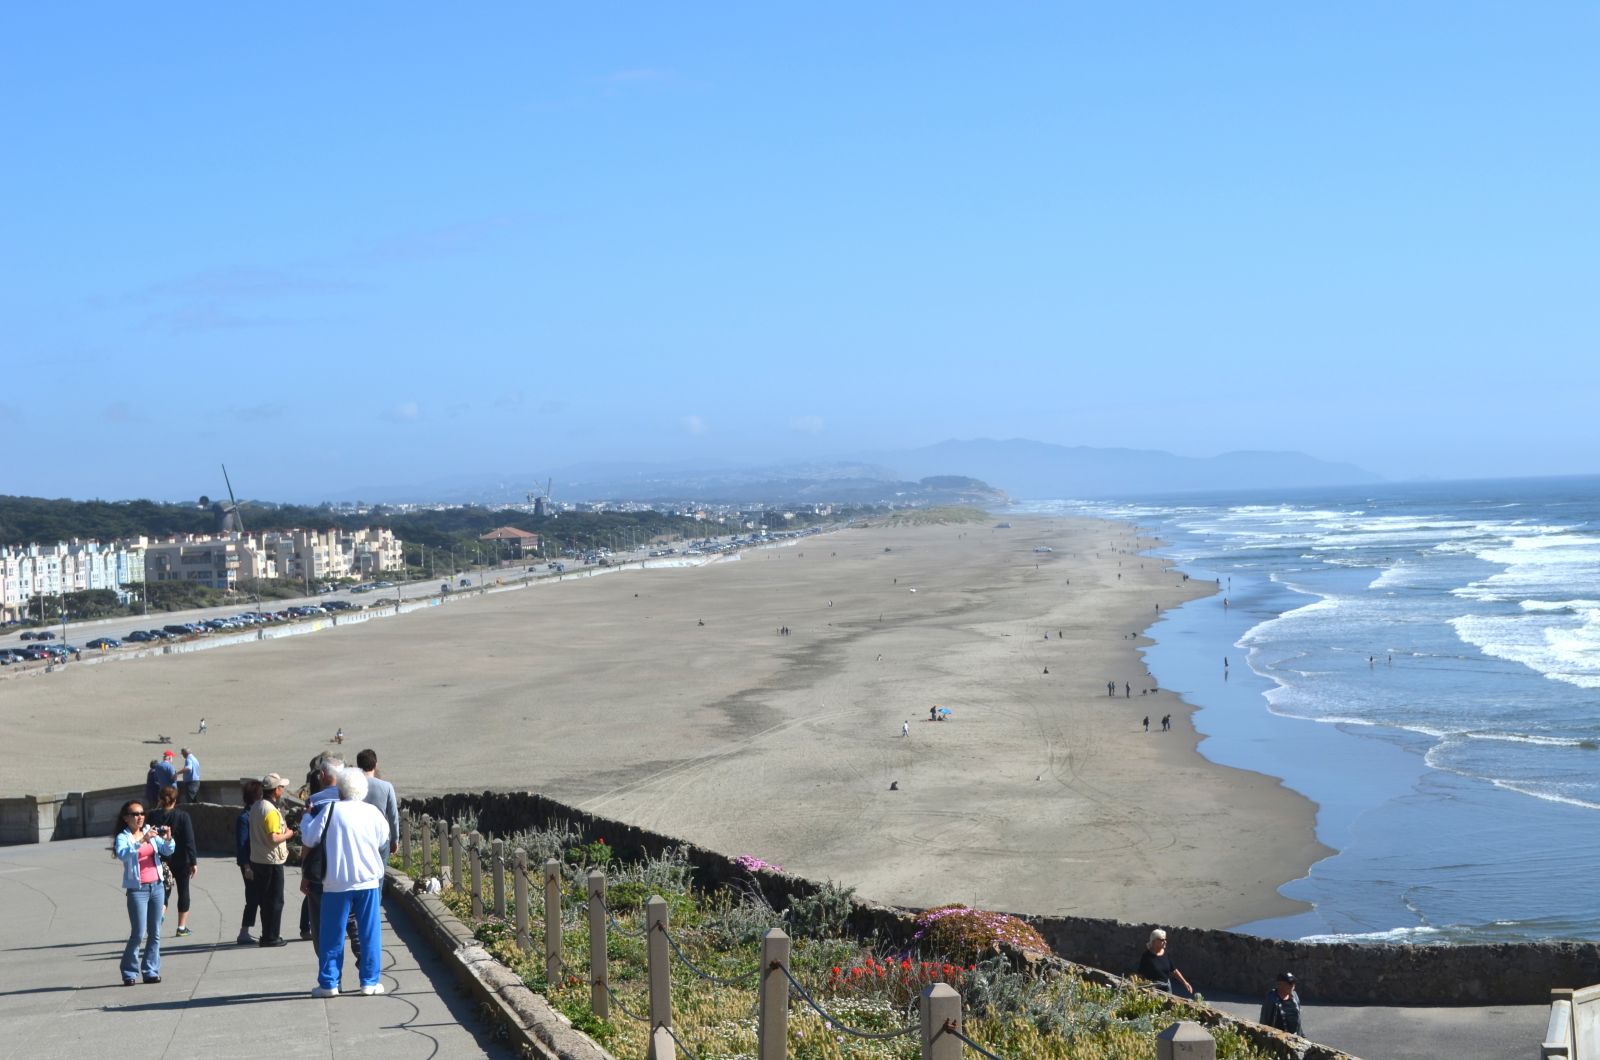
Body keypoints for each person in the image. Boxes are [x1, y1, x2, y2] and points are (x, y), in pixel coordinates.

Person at [302, 766, 391, 997]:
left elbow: (309, 838)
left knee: (332, 933)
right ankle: (369, 981)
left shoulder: (330, 810)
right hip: (368, 880)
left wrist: (306, 816)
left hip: (336, 881)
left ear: (340, 790)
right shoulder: (372, 812)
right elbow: (383, 839)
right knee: (369, 932)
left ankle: (330, 982)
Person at [113, 799, 174, 985]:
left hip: (156, 886)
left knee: (155, 932)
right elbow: (123, 854)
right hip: (137, 889)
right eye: (135, 814)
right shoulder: (124, 837)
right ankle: (129, 972)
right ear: (126, 818)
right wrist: (142, 840)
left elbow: (168, 851)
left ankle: (150, 970)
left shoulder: (150, 830)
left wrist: (168, 838)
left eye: (141, 813)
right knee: (138, 933)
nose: (139, 817)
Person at [298, 755, 344, 948]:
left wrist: (305, 873)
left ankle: (329, 970)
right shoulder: (353, 799)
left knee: (320, 923)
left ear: (322, 775)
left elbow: (310, 840)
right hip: (348, 871)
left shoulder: (314, 802)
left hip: (321, 871)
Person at [248, 772, 296, 947]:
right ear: (275, 790)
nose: (283, 789)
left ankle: (266, 934)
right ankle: (271, 936)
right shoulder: (270, 811)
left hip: (258, 859)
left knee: (264, 899)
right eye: (281, 787)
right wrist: (290, 833)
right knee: (275, 900)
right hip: (271, 861)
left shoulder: (256, 806)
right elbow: (274, 838)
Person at [147, 786, 198, 936]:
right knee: (183, 891)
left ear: (160, 799)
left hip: (161, 860)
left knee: (164, 891)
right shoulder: (183, 816)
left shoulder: (152, 816)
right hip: (181, 860)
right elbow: (189, 840)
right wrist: (193, 861)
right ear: (175, 800)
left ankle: (160, 915)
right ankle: (181, 928)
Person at [357, 749, 400, 856]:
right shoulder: (386, 787)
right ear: (376, 765)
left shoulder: (352, 786)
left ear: (358, 765)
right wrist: (395, 839)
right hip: (380, 837)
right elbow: (393, 816)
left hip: (358, 837)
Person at [235, 777, 262, 944]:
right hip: (249, 863)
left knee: (257, 897)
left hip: (255, 861)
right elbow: (242, 844)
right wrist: (246, 866)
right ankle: (244, 932)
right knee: (252, 897)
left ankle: (246, 931)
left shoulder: (254, 814)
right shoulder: (245, 818)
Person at [1136, 928, 1193, 996]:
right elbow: (1140, 975)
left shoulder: (1166, 954)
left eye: (1165, 939)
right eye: (1162, 940)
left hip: (1166, 989)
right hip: (1153, 992)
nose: (1165, 942)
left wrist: (1185, 983)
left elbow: (1174, 970)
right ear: (1154, 941)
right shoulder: (1146, 956)